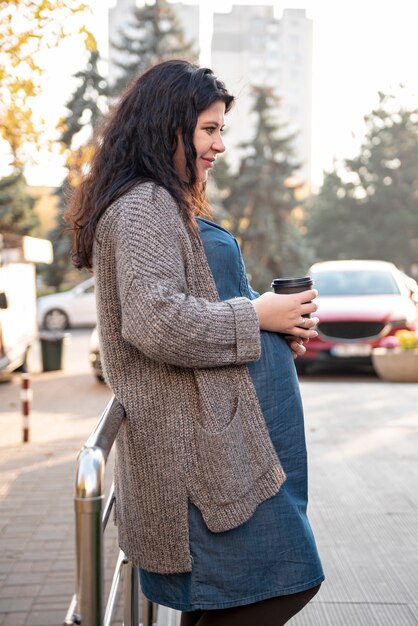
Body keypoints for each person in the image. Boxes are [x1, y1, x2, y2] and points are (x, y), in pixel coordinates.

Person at [66, 59, 324, 626]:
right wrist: (255, 316)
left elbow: (197, 306)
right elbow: (156, 322)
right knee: (286, 579)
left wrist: (273, 327)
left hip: (222, 445)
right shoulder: (142, 208)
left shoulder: (161, 201)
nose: (218, 146)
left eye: (220, 130)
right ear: (167, 127)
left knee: (230, 597)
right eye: (208, 130)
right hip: (201, 457)